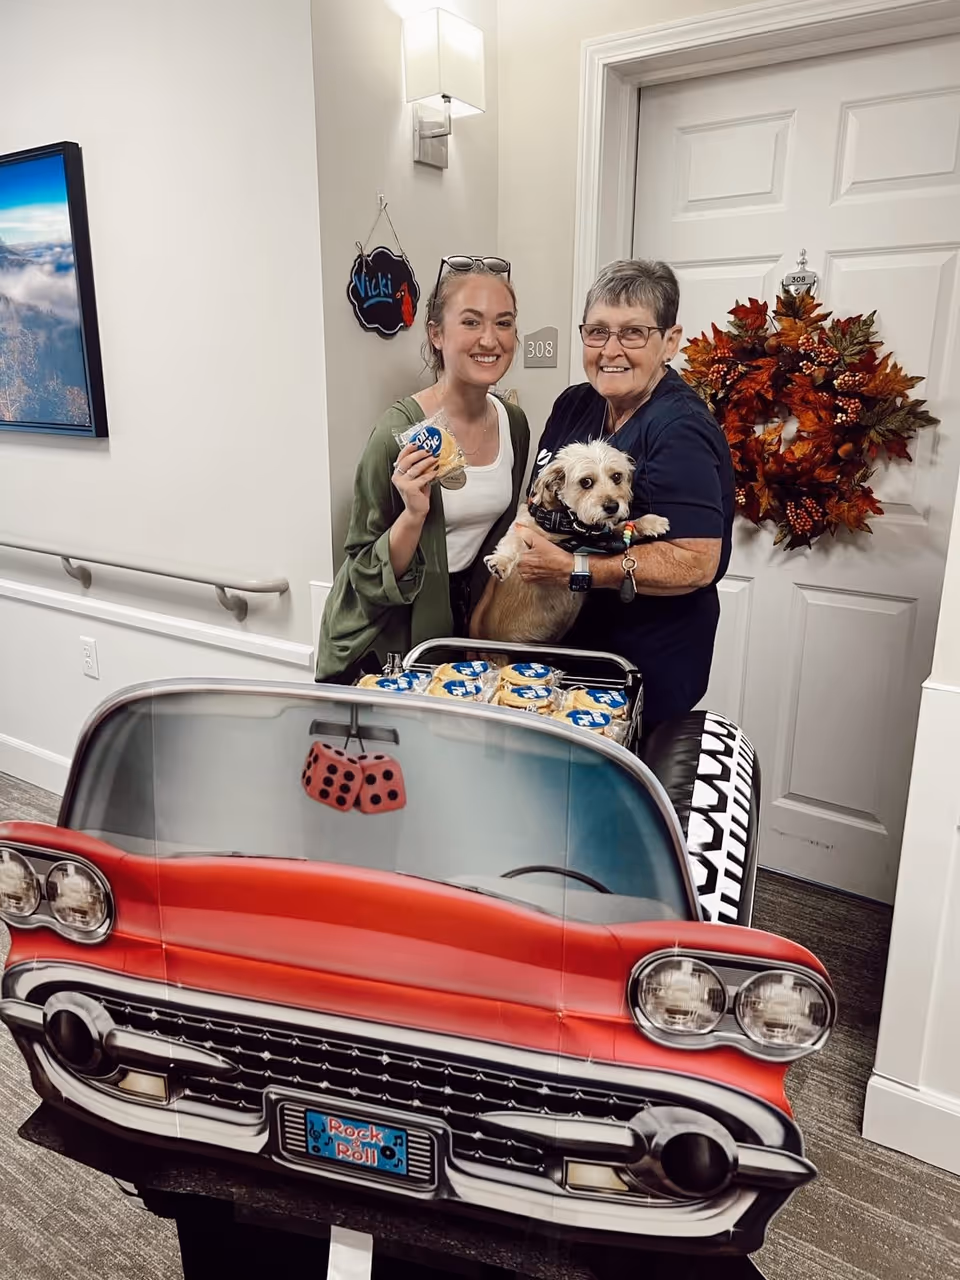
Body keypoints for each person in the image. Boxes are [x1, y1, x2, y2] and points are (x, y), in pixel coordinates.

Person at [487, 258, 734, 732]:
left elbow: (696, 562)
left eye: (633, 333)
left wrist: (577, 570)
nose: (611, 350)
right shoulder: (574, 405)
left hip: (636, 675)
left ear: (670, 342)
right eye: (597, 331)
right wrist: (486, 626)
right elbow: (536, 513)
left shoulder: (680, 429)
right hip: (556, 659)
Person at [315, 256, 530, 682]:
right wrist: (414, 514)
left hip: (459, 629)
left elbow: (498, 540)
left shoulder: (514, 424)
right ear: (436, 334)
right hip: (387, 638)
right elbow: (364, 568)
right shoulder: (397, 432)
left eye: (504, 323)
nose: (490, 339)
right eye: (471, 322)